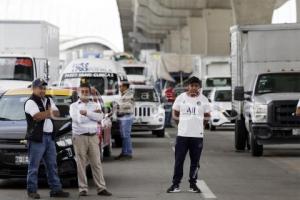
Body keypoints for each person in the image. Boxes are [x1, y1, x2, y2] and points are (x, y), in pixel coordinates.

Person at [24, 78, 69, 199]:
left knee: (52, 166)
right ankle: (32, 191)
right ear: (34, 88)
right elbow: (37, 117)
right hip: (37, 139)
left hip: (49, 138)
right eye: (40, 88)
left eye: (44, 88)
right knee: (34, 167)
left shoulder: (48, 99)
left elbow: (58, 113)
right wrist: (50, 112)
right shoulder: (30, 102)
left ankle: (56, 189)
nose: (42, 90)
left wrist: (48, 113)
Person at [167, 76, 211, 193]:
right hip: (182, 135)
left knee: (195, 162)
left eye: (196, 86)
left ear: (199, 87)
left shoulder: (204, 100)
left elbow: (207, 116)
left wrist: (200, 126)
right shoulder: (181, 98)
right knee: (179, 160)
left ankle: (193, 185)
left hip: (197, 136)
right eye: (191, 86)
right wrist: (181, 124)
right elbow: (175, 113)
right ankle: (175, 185)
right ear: (188, 86)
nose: (193, 88)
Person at [69, 80, 112, 197]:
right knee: (81, 164)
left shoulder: (95, 105)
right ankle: (83, 189)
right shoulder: (73, 106)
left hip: (93, 137)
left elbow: (100, 117)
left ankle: (101, 188)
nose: (84, 93)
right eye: (82, 91)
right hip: (79, 138)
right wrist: (92, 114)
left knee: (96, 163)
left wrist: (86, 113)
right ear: (78, 92)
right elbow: (78, 120)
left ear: (89, 93)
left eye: (86, 91)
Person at [115, 81, 135, 160]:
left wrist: (119, 105)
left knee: (126, 136)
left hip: (127, 116)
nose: (119, 88)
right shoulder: (124, 94)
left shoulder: (129, 94)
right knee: (124, 136)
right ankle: (124, 152)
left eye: (121, 86)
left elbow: (129, 105)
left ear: (125, 87)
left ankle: (128, 153)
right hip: (123, 116)